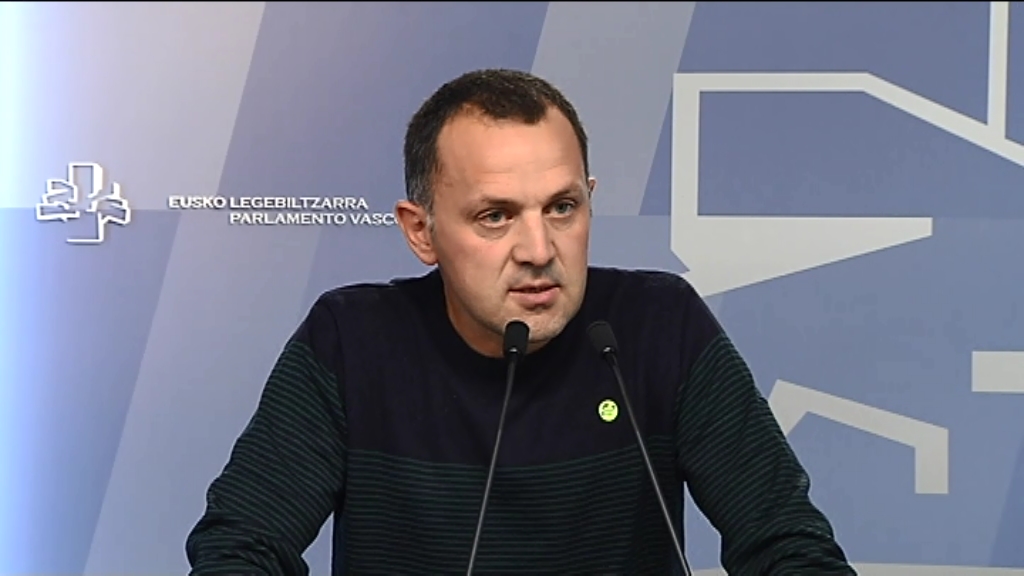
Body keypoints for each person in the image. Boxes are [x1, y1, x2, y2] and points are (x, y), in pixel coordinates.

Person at [186, 68, 855, 575]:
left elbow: (786, 546)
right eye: (495, 216)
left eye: (562, 208)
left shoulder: (659, 326)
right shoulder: (352, 340)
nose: (539, 250)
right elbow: (241, 547)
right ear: (421, 231)